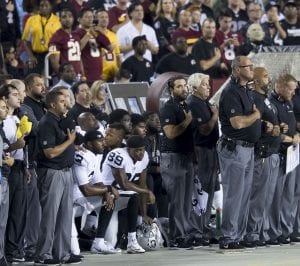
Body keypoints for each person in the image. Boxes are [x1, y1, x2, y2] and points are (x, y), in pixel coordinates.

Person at [217, 56, 261, 249]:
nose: (252, 69)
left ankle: (238, 235)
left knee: (244, 194)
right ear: (236, 70)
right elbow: (237, 122)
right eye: (247, 66)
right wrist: (256, 115)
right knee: (234, 194)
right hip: (234, 147)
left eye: (252, 65)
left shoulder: (245, 90)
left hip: (248, 148)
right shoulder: (230, 92)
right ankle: (228, 237)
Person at [35, 89, 81, 265]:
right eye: (62, 101)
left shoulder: (62, 121)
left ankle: (62, 253)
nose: (66, 103)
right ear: (53, 104)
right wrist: (69, 142)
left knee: (65, 215)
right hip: (52, 172)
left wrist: (74, 146)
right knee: (50, 215)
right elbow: (50, 153)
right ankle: (43, 255)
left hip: (66, 171)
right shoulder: (47, 122)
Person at [159, 76, 201, 248]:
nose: (184, 89)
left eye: (185, 86)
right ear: (171, 90)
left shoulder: (186, 106)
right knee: (176, 200)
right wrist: (187, 121)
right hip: (173, 157)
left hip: (186, 157)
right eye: (179, 87)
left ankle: (186, 231)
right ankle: (177, 236)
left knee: (186, 199)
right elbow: (170, 133)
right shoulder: (167, 108)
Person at [244, 67, 281, 247]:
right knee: (257, 196)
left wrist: (277, 126)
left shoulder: (265, 100)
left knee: (266, 197)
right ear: (256, 81)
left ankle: (260, 231)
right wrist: (267, 127)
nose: (269, 79)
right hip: (261, 153)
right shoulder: (254, 100)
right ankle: (252, 233)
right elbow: (251, 125)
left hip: (271, 152)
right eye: (265, 76)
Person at [101, 135, 156, 253]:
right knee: (109, 243)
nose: (140, 153)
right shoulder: (118, 155)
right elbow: (125, 184)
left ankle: (132, 241)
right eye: (137, 150)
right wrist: (147, 191)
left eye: (142, 149)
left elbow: (142, 185)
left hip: (119, 196)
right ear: (128, 149)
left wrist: (144, 214)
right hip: (104, 194)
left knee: (134, 197)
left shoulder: (145, 157)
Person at [72, 130, 119, 255]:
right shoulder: (81, 156)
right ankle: (89, 241)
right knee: (74, 250)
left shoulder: (93, 156)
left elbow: (98, 182)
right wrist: (108, 189)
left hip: (80, 200)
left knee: (110, 197)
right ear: (89, 144)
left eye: (103, 140)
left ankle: (99, 242)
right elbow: (86, 190)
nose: (103, 143)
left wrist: (107, 193)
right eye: (99, 141)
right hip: (70, 201)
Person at [267, 73, 299, 245]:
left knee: (290, 195)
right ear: (280, 87)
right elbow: (274, 133)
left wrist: (296, 135)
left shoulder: (288, 102)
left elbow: (290, 126)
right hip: (278, 154)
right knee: (276, 196)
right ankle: (273, 232)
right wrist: (290, 138)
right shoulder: (271, 103)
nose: (293, 93)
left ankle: (286, 230)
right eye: (291, 90)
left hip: (291, 155)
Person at [187, 73, 219, 240]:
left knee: (210, 191)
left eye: (208, 84)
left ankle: (204, 227)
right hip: (201, 151)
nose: (208, 87)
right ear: (194, 87)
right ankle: (196, 229)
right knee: (201, 192)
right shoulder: (194, 103)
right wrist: (214, 115)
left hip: (210, 150)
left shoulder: (204, 102)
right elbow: (204, 130)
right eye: (205, 85)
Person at [0, 84, 27, 263]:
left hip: (15, 168)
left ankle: (8, 252)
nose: (19, 97)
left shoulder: (16, 119)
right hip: (5, 172)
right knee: (5, 216)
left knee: (12, 215)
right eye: (14, 94)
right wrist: (13, 149)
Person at [21, 73, 46, 262]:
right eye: (38, 85)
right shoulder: (25, 107)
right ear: (29, 87)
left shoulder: (41, 105)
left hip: (40, 162)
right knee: (33, 208)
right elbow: (38, 129)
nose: (43, 87)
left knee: (39, 208)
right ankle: (30, 247)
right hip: (30, 163)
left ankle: (38, 245)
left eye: (44, 84)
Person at [73, 8, 113, 83]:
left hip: (98, 75)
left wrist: (100, 33)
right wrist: (88, 34)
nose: (90, 19)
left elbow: (110, 48)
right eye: (87, 17)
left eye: (91, 17)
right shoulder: (76, 33)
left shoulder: (97, 33)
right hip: (85, 74)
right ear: (79, 19)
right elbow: (77, 49)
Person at [22, 0, 61, 74]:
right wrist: (31, 56)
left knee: (50, 78)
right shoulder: (31, 20)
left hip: (52, 54)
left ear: (51, 6)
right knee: (31, 76)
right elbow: (26, 41)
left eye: (46, 5)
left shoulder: (57, 20)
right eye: (41, 6)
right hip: (36, 55)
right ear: (38, 7)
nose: (44, 8)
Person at [0, 98, 15, 266]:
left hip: (4, 177)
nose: (6, 110)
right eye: (3, 108)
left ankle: (1, 256)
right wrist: (4, 162)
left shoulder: (2, 129)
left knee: (3, 222)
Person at [49, 8, 83, 76]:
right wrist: (63, 77)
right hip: (65, 77)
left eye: (70, 16)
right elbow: (54, 63)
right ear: (60, 20)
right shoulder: (56, 37)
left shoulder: (76, 35)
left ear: (73, 19)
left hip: (77, 75)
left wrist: (83, 74)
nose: (67, 19)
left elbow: (79, 57)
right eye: (64, 17)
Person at [95, 9, 122, 82]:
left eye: (106, 17)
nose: (104, 19)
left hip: (113, 74)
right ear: (96, 19)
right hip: (100, 74)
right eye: (101, 17)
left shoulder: (113, 35)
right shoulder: (93, 35)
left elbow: (117, 56)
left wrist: (120, 71)